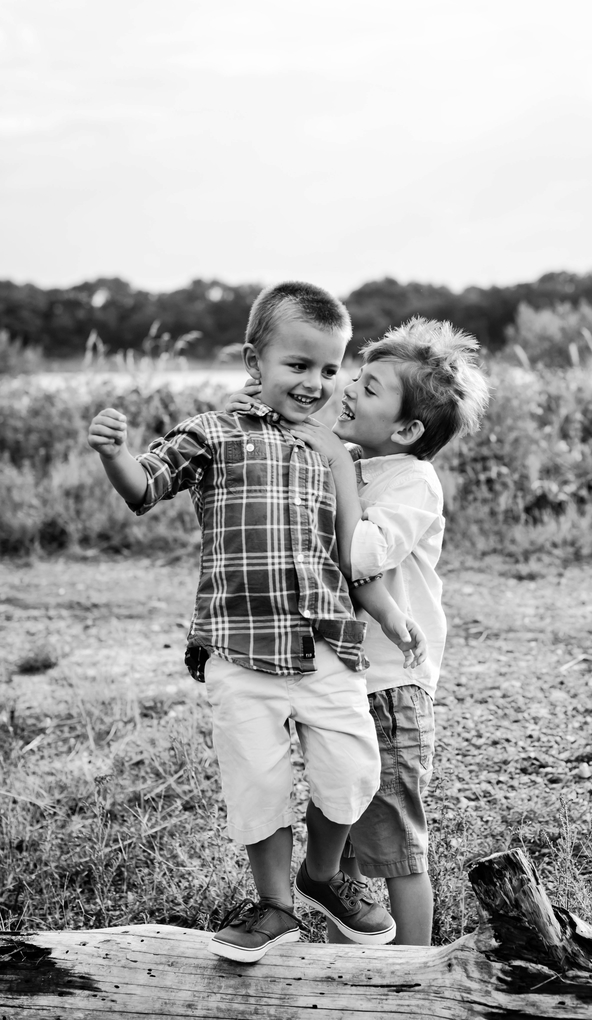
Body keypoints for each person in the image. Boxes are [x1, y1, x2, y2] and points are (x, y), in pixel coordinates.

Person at [87, 282, 424, 964]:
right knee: (259, 783)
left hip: (327, 642)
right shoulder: (213, 433)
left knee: (355, 771)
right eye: (298, 366)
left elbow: (353, 548)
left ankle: (322, 875)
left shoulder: (336, 452)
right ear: (255, 360)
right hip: (239, 647)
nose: (316, 383)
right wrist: (113, 454)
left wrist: (386, 609)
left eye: (330, 370)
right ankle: (274, 905)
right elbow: (145, 488)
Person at [286, 317, 490, 945]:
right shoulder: (351, 458)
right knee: (341, 797)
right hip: (340, 672)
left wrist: (341, 474)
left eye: (369, 388)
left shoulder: (411, 482)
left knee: (395, 836)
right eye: (356, 375)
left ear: (406, 430)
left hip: (392, 682)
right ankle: (355, 951)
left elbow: (363, 554)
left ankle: (411, 974)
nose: (347, 388)